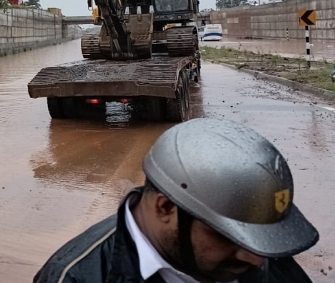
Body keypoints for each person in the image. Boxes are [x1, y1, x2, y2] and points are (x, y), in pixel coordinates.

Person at [34, 118, 319, 283]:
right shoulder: (75, 276)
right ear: (166, 207)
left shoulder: (258, 251)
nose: (257, 258)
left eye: (255, 238)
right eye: (226, 236)